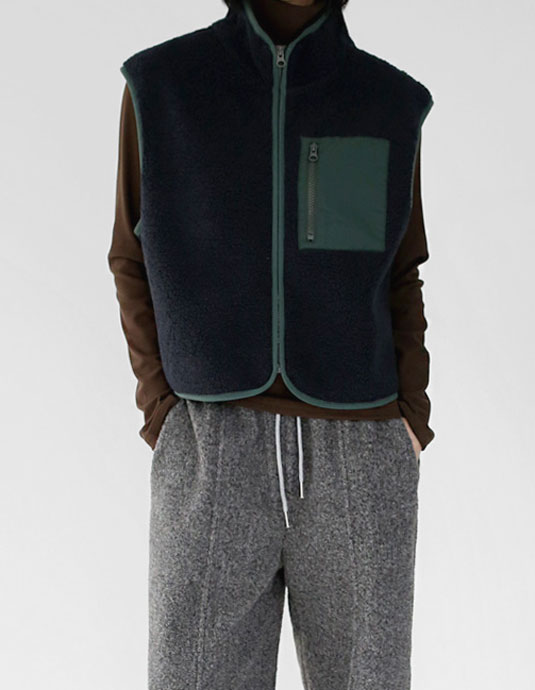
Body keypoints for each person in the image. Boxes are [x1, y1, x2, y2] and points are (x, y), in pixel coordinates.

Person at [107, 0, 435, 687]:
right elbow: (129, 256)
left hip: (361, 449)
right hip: (211, 442)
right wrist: (161, 407)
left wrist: (412, 415)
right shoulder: (162, 87)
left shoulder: (389, 102)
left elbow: (402, 271)